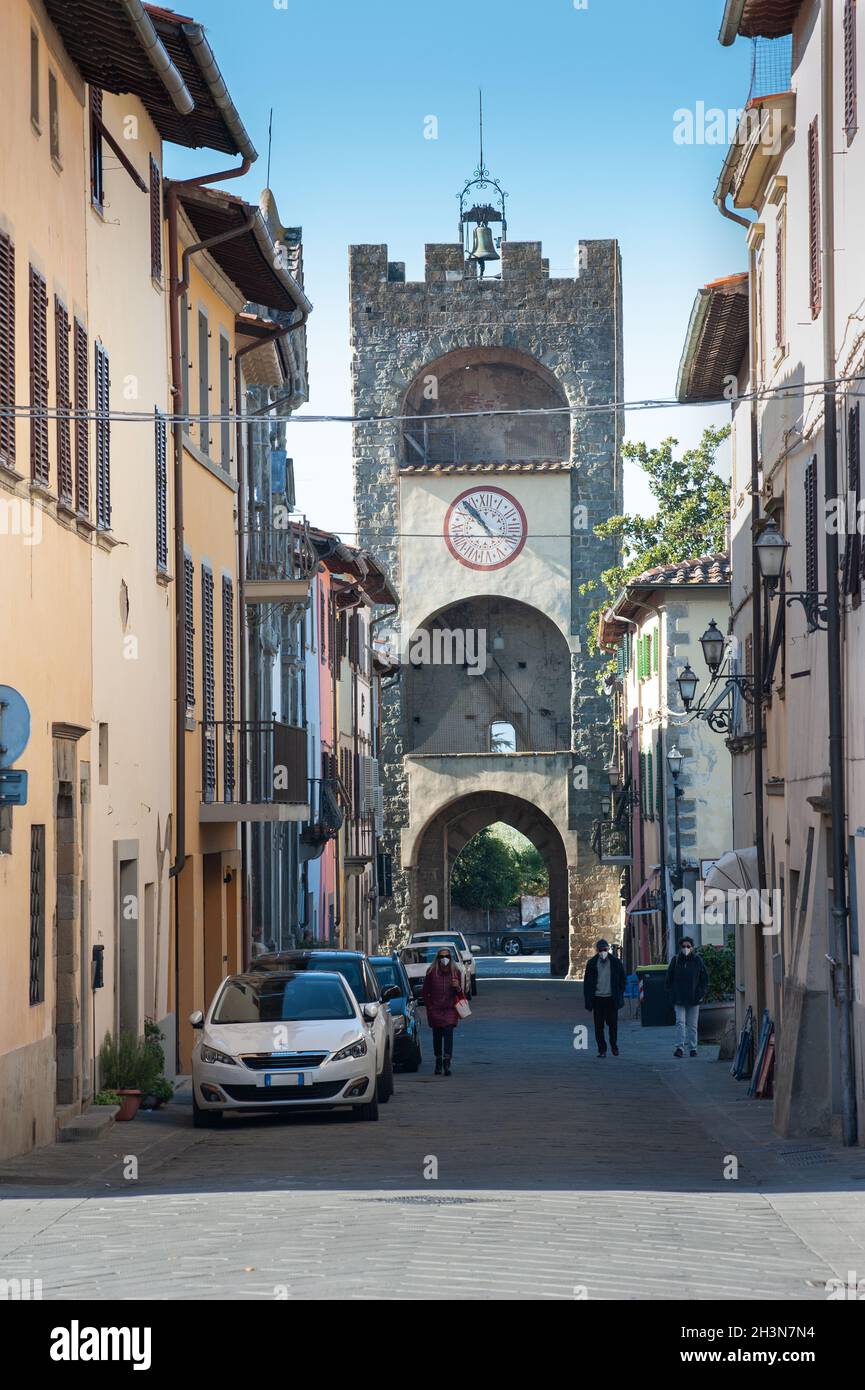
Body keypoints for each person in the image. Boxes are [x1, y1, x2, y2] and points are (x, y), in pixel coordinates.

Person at [421, 948, 463, 1075]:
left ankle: (447, 1061)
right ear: (437, 958)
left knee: (448, 1033)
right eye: (441, 956)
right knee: (437, 1036)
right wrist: (429, 1006)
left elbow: (461, 993)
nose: (444, 959)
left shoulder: (456, 972)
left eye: (447, 956)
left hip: (450, 1009)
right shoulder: (431, 972)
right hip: (436, 1009)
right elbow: (425, 991)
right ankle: (438, 1060)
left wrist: (458, 987)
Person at [666, 937, 709, 1057]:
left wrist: (701, 994)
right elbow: (668, 979)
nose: (686, 948)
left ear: (692, 947)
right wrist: (672, 994)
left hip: (694, 998)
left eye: (688, 946)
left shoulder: (697, 960)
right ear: (680, 947)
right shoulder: (676, 960)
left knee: (692, 1025)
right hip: (679, 998)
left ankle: (693, 1048)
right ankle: (679, 1048)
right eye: (684, 946)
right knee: (680, 1022)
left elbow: (704, 979)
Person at [583, 939, 626, 1057]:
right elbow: (587, 983)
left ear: (608, 950)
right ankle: (602, 1050)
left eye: (605, 950)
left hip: (611, 999)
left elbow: (622, 979)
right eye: (601, 950)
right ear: (597, 951)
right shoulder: (592, 964)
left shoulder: (616, 963)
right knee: (598, 1026)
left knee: (613, 1025)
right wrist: (588, 1000)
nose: (603, 952)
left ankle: (614, 1045)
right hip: (598, 999)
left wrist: (619, 992)